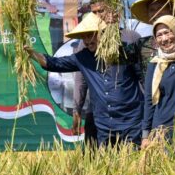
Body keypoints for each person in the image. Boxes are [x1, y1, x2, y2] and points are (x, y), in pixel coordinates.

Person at [26, 12, 145, 147]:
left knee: (133, 162)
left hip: (131, 122)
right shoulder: (83, 57)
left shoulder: (126, 52)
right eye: (84, 37)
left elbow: (143, 79)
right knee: (107, 164)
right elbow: (53, 63)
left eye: (91, 35)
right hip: (104, 125)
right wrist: (32, 53)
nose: (87, 41)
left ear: (104, 33)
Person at [71, 0, 142, 147]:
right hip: (99, 113)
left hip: (129, 115)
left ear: (114, 12)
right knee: (96, 161)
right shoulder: (85, 43)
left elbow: (141, 77)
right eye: (94, 12)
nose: (97, 16)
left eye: (101, 11)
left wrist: (148, 110)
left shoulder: (130, 38)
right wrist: (76, 110)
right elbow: (81, 80)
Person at [142, 15, 175, 148]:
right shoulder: (155, 64)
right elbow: (149, 100)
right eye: (159, 35)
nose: (164, 39)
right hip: (163, 129)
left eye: (167, 32)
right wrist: (145, 135)